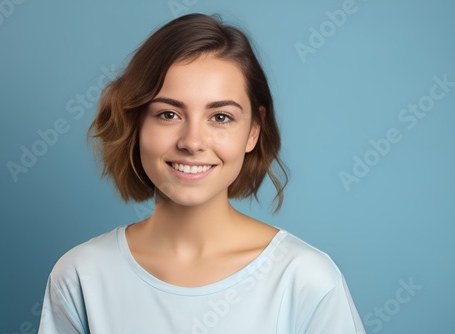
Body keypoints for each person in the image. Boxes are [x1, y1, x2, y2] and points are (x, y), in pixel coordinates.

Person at [38, 13, 365, 334]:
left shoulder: (306, 281)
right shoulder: (81, 276)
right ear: (136, 124)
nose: (192, 142)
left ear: (253, 130)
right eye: (168, 114)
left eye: (221, 117)